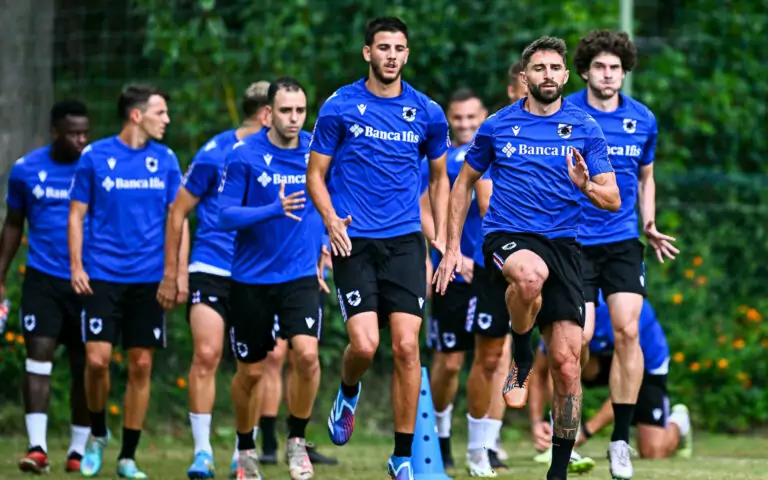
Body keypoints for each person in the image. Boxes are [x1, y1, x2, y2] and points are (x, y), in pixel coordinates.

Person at [434, 36, 620, 480]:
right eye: (539, 69)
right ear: (525, 77)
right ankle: (519, 351)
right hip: (508, 236)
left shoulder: (585, 128)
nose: (548, 75)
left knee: (566, 365)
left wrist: (585, 186)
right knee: (530, 277)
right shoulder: (498, 125)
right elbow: (463, 183)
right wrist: (452, 247)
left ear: (566, 75)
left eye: (556, 68)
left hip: (565, 247)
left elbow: (612, 198)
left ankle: (557, 471)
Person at [306, 16, 450, 479]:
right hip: (355, 240)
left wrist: (441, 238)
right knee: (365, 346)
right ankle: (349, 389)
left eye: (399, 48)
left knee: (408, 347)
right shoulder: (340, 106)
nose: (391, 55)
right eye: (383, 47)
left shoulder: (427, 112)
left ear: (408, 54)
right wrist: (330, 219)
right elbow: (315, 175)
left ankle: (402, 457)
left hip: (406, 241)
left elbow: (440, 177)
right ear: (367, 52)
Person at [567, 29, 679, 479]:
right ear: (585, 71)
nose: (608, 74)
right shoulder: (566, 114)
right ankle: (566, 436)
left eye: (615, 67)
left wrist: (648, 222)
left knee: (628, 331)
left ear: (624, 72)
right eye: (600, 67)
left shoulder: (642, 120)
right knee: (575, 342)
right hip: (573, 243)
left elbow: (646, 178)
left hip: (621, 243)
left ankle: (619, 442)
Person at [68, 84, 186, 479]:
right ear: (137, 116)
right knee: (97, 361)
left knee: (140, 365)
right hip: (101, 275)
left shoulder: (166, 160)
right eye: (161, 112)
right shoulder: (95, 157)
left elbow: (178, 219)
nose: (167, 120)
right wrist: (76, 266)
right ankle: (98, 434)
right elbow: (76, 215)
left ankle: (127, 456)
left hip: (149, 280)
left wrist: (176, 273)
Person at [156, 80, 271, 479]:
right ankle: (202, 452)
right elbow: (178, 212)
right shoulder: (215, 152)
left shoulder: (288, 156)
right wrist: (173, 273)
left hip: (257, 272)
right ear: (265, 114)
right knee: (206, 354)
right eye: (283, 112)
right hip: (211, 265)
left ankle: (244, 452)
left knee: (253, 367)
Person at [218, 76, 326, 480]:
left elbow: (328, 198)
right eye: (286, 110)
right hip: (251, 280)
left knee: (308, 355)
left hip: (299, 276)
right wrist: (272, 210)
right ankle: (245, 447)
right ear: (268, 113)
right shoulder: (244, 155)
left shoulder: (317, 150)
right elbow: (224, 215)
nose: (294, 118)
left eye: (300, 110)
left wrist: (329, 238)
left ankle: (297, 441)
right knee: (251, 371)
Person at [422, 88, 509, 476]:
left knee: (490, 358)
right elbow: (424, 207)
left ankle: (483, 447)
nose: (465, 125)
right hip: (452, 271)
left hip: (490, 271)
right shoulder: (446, 158)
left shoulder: (498, 150)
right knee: (451, 361)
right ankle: (440, 437)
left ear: (484, 116)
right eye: (458, 118)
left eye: (472, 117)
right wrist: (443, 252)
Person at [0, 100, 91, 474]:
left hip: (89, 279)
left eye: (86, 132)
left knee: (86, 363)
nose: (81, 140)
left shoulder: (97, 165)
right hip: (43, 278)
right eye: (73, 133)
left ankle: (78, 450)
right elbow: (13, 224)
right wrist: (1, 277)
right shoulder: (26, 169)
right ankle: (37, 446)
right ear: (55, 133)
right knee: (38, 354)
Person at [529, 293, 692, 464]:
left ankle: (679, 421)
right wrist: (537, 423)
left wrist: (584, 433)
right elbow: (540, 371)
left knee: (652, 450)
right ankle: (559, 429)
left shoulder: (620, 313)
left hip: (647, 364)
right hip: (598, 358)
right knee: (560, 361)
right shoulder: (562, 310)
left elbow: (627, 381)